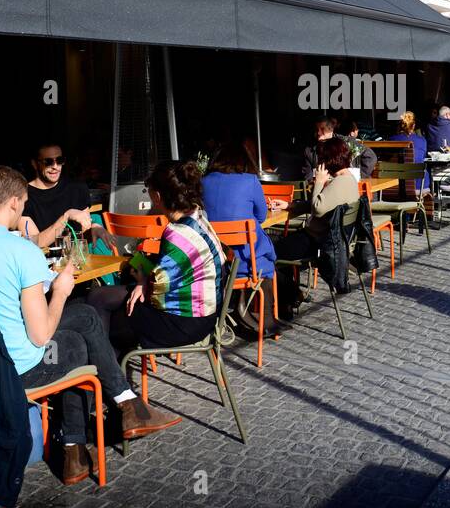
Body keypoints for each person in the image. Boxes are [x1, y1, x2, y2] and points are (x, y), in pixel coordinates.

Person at [0, 166, 173, 487]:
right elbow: (41, 334)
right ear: (16, 204)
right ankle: (97, 427)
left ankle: (111, 417)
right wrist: (60, 290)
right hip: (12, 369)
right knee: (79, 342)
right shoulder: (20, 250)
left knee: (86, 317)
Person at [108, 160, 232, 356]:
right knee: (111, 301)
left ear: (157, 196)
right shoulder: (199, 218)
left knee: (107, 315)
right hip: (207, 315)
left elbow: (159, 287)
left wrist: (141, 281)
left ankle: (107, 371)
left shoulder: (176, 233)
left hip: (182, 323)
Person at [200, 143, 281, 337]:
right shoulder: (250, 181)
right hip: (247, 259)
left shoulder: (204, 182)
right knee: (268, 262)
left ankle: (240, 309)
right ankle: (265, 318)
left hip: (214, 259)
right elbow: (261, 216)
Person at [274, 138, 361, 312]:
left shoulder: (339, 183)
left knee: (269, 254)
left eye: (321, 158)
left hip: (317, 242)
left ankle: (291, 297)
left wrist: (319, 181)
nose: (319, 162)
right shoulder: (348, 179)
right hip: (328, 240)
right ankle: (289, 299)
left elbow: (318, 209)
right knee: (281, 246)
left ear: (329, 160)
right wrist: (291, 205)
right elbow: (324, 203)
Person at [19, 144, 103, 249]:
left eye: (59, 160)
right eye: (48, 162)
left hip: (75, 260)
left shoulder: (77, 188)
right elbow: (35, 244)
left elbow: (82, 234)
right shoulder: (22, 196)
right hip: (45, 262)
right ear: (35, 164)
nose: (55, 166)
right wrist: (66, 217)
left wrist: (94, 228)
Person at [302, 118, 375, 180]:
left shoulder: (346, 142)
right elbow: (308, 175)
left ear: (331, 130)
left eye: (322, 129)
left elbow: (371, 157)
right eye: (316, 129)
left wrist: (359, 176)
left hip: (350, 187)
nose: (318, 133)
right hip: (324, 190)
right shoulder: (309, 151)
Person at [389, 111, 430, 191]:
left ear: (400, 126)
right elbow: (422, 158)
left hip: (397, 188)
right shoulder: (422, 141)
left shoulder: (392, 140)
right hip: (420, 186)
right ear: (413, 125)